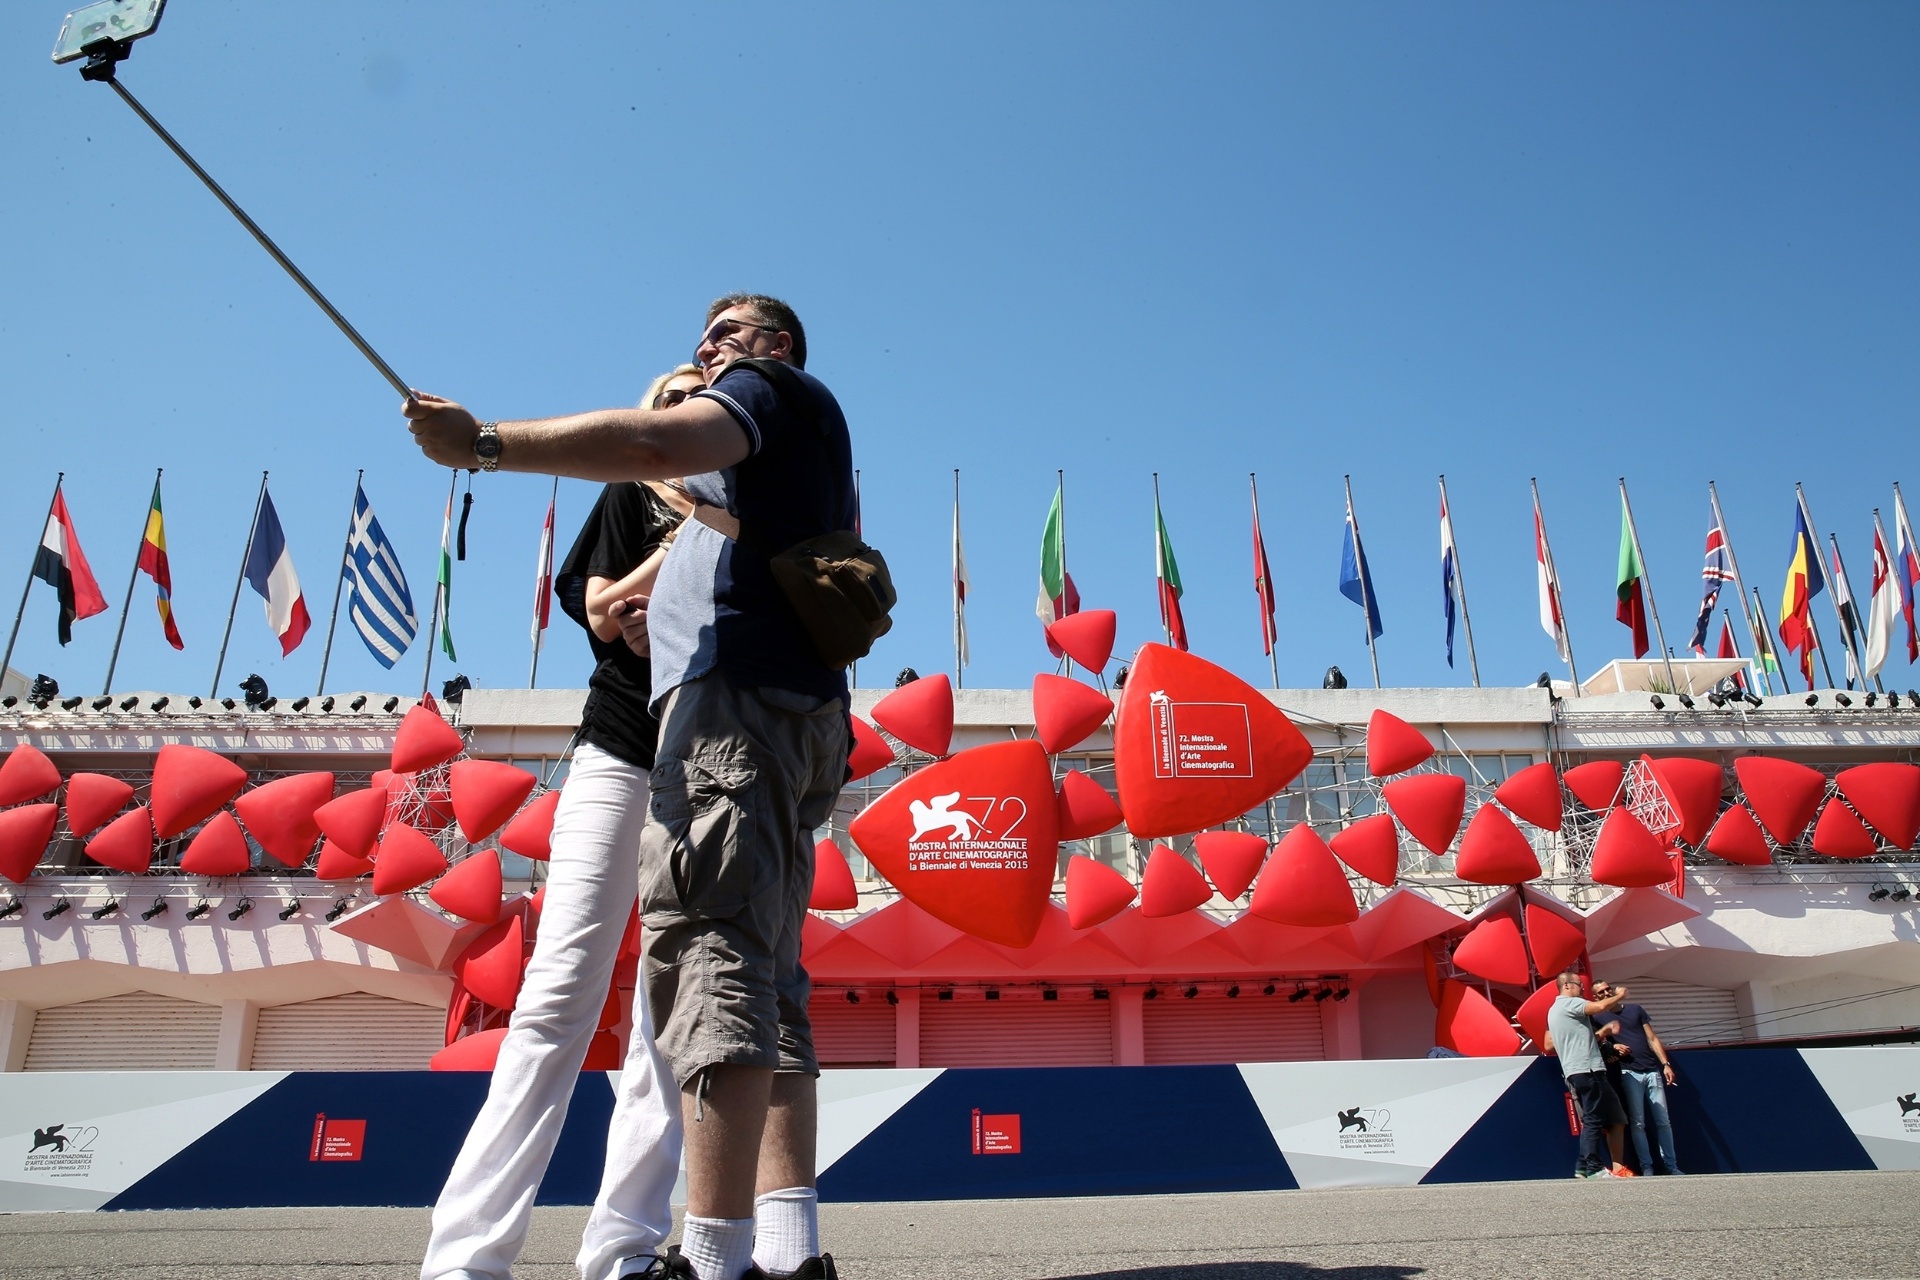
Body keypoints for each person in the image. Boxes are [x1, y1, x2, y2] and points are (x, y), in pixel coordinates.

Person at [404, 295, 855, 1280]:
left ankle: (657, 1250)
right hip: (650, 739)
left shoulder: (759, 423)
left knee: (698, 989)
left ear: (767, 357)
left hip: (727, 731)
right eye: (693, 356)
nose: (703, 357)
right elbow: (601, 604)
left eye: (722, 345)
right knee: (604, 989)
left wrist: (482, 443)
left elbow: (657, 444)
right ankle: (475, 1254)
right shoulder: (687, 493)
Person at [419, 365, 702, 1280]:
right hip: (618, 753)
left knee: (671, 1014)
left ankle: (623, 1249)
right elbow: (602, 613)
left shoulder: (744, 505)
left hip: (706, 768)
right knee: (557, 994)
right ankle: (466, 1257)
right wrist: (677, 558)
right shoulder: (629, 492)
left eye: (697, 395)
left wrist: (673, 576)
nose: (682, 404)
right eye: (668, 394)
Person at [1541, 969, 1631, 1179]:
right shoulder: (1570, 1003)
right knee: (1592, 1120)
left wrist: (1601, 1033)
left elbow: (1553, 1043)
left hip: (1580, 1070)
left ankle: (1583, 1167)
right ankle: (1594, 1168)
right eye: (1579, 985)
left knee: (1606, 1118)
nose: (1583, 989)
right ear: (1567, 986)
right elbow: (1599, 1006)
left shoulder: (1553, 1010)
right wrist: (1619, 995)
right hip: (1587, 1069)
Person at [1594, 979, 1683, 1175]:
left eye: (1608, 989)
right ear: (1596, 997)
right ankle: (1647, 1167)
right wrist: (1613, 1046)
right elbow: (1596, 1041)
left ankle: (1671, 1166)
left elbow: (1652, 1037)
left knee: (1663, 1121)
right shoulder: (1598, 1017)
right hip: (1628, 1072)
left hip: (1651, 1069)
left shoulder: (1635, 1010)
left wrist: (1665, 1064)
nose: (1607, 993)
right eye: (1601, 992)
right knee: (1637, 1123)